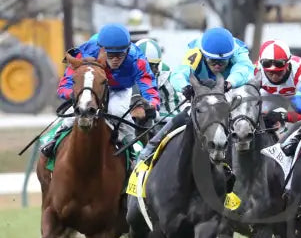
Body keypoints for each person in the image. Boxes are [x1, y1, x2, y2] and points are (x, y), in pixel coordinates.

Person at [40, 23, 160, 158]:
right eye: (110, 55)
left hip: (120, 89)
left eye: (120, 55)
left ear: (127, 50)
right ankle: (54, 141)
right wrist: (76, 94)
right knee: (72, 114)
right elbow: (64, 85)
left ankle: (132, 154)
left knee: (119, 112)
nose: (115, 60)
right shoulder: (85, 52)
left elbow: (148, 86)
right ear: (101, 49)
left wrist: (151, 105)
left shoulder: (137, 59)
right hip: (93, 89)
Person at [136, 26, 254, 162]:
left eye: (222, 62)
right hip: (203, 93)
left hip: (232, 89)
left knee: (246, 117)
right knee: (182, 118)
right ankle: (148, 151)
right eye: (212, 61)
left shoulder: (238, 50)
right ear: (204, 54)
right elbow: (180, 72)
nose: (217, 66)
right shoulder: (195, 50)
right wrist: (184, 87)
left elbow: (245, 69)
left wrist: (229, 82)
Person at [253, 39, 301, 120]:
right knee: (255, 113)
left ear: (288, 64)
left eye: (279, 72)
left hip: (295, 97)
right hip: (270, 96)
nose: (274, 77)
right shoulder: (255, 71)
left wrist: (282, 116)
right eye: (270, 73)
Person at [135, 37, 182, 116]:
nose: (156, 70)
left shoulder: (164, 75)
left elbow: (174, 113)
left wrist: (154, 115)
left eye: (156, 65)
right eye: (151, 66)